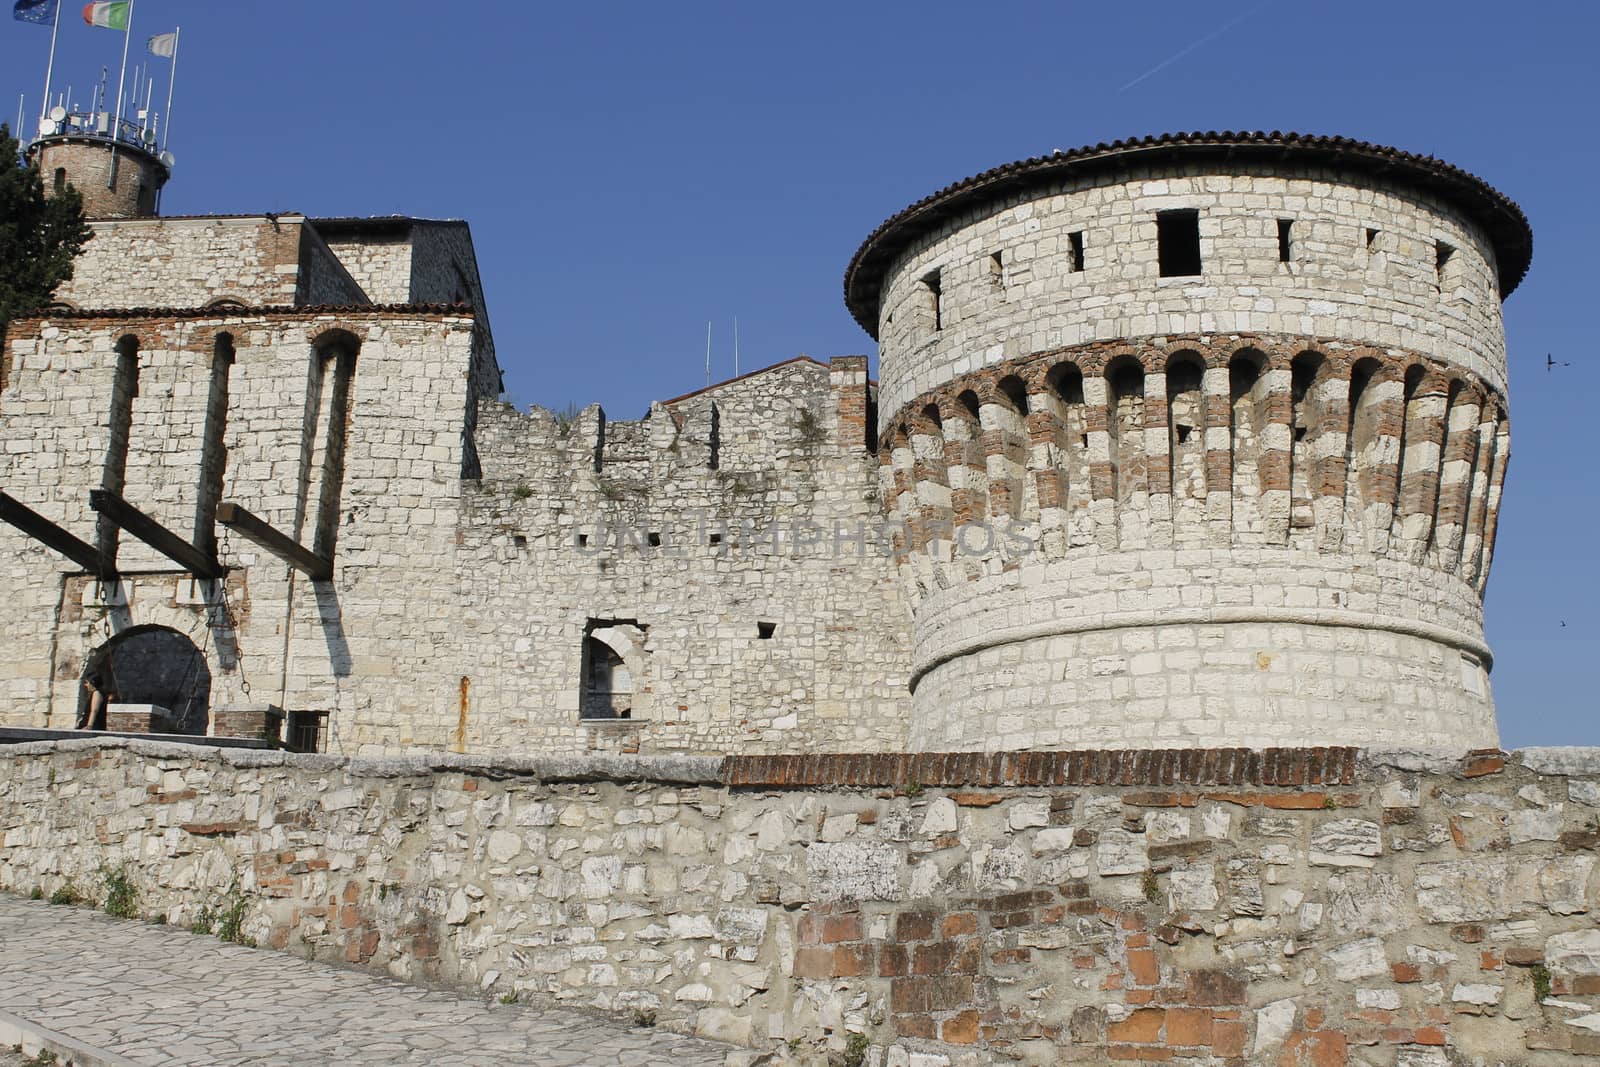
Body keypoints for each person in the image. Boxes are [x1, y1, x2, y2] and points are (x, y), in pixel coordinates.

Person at [77, 665, 116, 730]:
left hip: (94, 727)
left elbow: (94, 711)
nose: (85, 685)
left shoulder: (97, 693)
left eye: (87, 683)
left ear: (93, 683)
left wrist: (89, 726)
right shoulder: (96, 693)